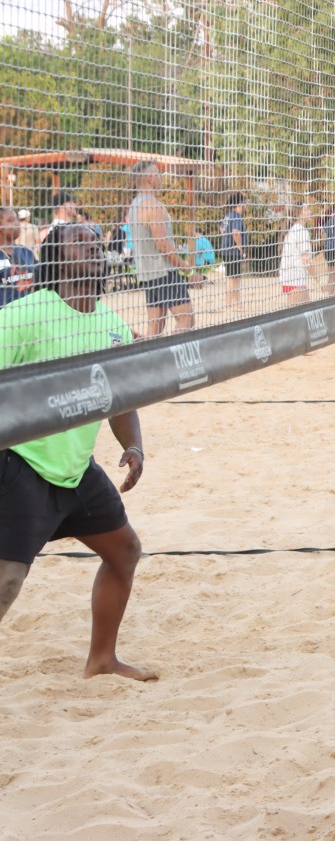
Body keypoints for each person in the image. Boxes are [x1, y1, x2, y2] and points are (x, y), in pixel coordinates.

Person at [0, 222, 154, 681]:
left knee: (125, 551)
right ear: (56, 257)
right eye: (78, 240)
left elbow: (121, 397)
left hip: (76, 469)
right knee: (7, 582)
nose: (92, 244)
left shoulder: (112, 325)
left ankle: (102, 661)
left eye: (95, 239)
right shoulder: (23, 316)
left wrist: (132, 444)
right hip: (22, 465)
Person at [126, 160, 195, 337]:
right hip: (164, 272)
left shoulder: (134, 206)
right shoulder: (153, 206)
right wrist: (187, 269)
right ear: (150, 178)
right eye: (158, 174)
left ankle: (148, 354)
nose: (161, 177)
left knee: (156, 326)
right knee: (186, 319)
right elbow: (163, 245)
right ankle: (175, 354)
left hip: (147, 273)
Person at [0, 205, 39, 308]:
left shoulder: (26, 252)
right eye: (11, 220)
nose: (17, 223)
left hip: (28, 313)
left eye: (16, 219)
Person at [279, 203, 314, 305]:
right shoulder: (301, 231)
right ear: (299, 214)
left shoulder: (295, 230)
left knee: (308, 308)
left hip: (294, 278)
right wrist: (319, 281)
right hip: (295, 278)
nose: (309, 212)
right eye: (306, 210)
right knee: (296, 311)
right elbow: (307, 260)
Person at [219, 191, 247, 308]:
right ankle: (229, 304)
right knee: (232, 279)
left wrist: (225, 239)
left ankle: (237, 303)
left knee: (236, 277)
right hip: (233, 251)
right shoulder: (236, 216)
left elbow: (221, 228)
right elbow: (235, 232)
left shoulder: (228, 215)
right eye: (244, 203)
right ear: (240, 204)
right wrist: (240, 247)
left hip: (226, 250)